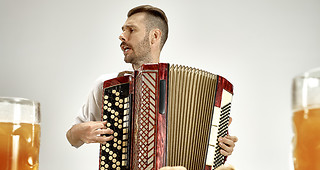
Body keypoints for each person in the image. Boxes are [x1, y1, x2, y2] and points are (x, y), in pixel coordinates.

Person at [66, 5, 238, 157]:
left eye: (131, 30)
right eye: (123, 30)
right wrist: (80, 132)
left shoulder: (195, 91)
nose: (121, 36)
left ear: (154, 36)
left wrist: (222, 147)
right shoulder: (108, 85)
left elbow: (210, 147)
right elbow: (72, 137)